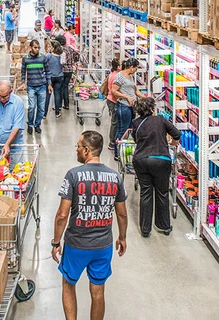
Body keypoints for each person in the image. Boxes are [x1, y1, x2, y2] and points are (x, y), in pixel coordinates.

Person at [52, 130, 128, 320]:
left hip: (76, 244)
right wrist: (123, 237)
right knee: (98, 292)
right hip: (103, 246)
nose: (76, 149)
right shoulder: (115, 177)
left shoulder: (73, 175)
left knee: (68, 285)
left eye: (78, 146)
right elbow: (122, 213)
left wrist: (55, 242)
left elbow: (62, 214)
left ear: (86, 150)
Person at [131, 97, 180, 237]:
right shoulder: (160, 120)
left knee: (145, 193)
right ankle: (164, 226)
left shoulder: (136, 123)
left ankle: (145, 229)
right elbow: (177, 134)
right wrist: (172, 142)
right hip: (161, 160)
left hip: (141, 160)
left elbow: (136, 140)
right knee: (162, 193)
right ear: (152, 108)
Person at [112, 58, 145, 157]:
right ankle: (117, 153)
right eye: (136, 68)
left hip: (130, 107)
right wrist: (126, 97)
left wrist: (146, 98)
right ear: (131, 67)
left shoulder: (130, 76)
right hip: (123, 106)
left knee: (129, 128)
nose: (136, 70)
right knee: (122, 129)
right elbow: (114, 91)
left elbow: (135, 90)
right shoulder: (120, 76)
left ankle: (124, 151)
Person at [19, 39, 52, 135]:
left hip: (42, 85)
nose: (37, 49)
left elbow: (48, 71)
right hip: (31, 86)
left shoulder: (43, 58)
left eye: (38, 48)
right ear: (31, 47)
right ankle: (30, 124)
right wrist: (23, 82)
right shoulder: (26, 58)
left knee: (41, 108)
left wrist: (49, 84)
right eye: (35, 47)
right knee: (32, 107)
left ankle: (37, 124)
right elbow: (23, 71)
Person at [45, 41, 65, 119]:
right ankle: (57, 112)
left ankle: (44, 114)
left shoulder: (49, 56)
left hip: (50, 77)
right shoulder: (61, 56)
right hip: (59, 77)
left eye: (50, 46)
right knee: (57, 94)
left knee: (48, 95)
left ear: (53, 48)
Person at [104, 58, 120, 152]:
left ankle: (113, 142)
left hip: (111, 99)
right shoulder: (116, 76)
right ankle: (112, 143)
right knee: (115, 122)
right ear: (118, 67)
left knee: (115, 122)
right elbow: (114, 91)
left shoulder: (113, 74)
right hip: (113, 100)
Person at [60, 41, 79, 111]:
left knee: (62, 87)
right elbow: (77, 54)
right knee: (66, 86)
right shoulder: (70, 48)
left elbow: (62, 61)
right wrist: (74, 61)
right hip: (70, 70)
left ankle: (61, 104)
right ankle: (66, 104)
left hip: (63, 70)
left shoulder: (60, 50)